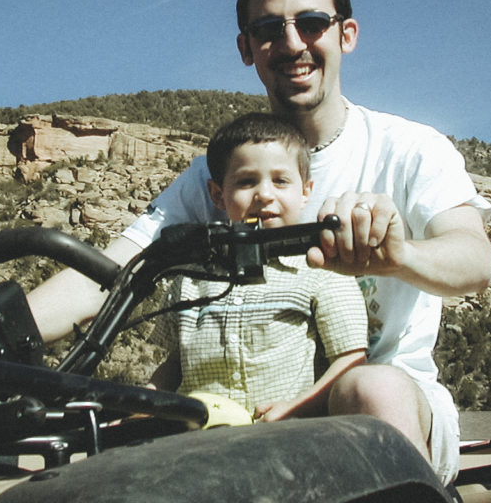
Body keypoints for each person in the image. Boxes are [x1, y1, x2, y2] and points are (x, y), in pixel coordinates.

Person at [27, 0, 491, 484]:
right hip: (236, 414)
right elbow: (113, 270)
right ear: (246, 48)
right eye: (270, 29)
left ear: (346, 35)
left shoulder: (410, 149)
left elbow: (475, 259)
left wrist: (400, 255)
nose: (293, 43)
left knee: (374, 386)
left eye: (312, 23)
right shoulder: (218, 172)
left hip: (374, 403)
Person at [146, 112, 367, 421]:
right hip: (196, 443)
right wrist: (145, 405)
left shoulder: (322, 270)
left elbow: (351, 358)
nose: (264, 194)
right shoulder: (190, 278)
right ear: (218, 195)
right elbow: (175, 363)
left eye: (280, 181)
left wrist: (298, 407)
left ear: (305, 192)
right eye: (247, 181)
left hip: (285, 440)